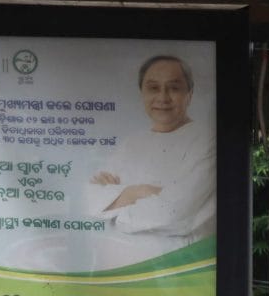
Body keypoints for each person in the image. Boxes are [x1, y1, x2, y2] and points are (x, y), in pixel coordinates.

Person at [83, 55, 216, 267]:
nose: (162, 98)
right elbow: (90, 199)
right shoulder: (131, 144)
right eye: (153, 88)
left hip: (177, 273)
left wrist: (115, 203)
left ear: (189, 94)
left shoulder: (207, 140)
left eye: (174, 88)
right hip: (116, 270)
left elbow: (175, 214)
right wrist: (138, 192)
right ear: (142, 94)